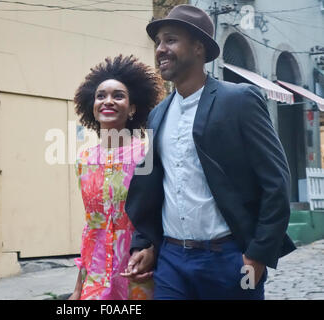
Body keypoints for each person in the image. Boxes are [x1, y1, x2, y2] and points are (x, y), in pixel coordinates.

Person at [121, 4, 296, 300]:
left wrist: (257, 257)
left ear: (199, 47)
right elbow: (151, 187)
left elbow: (276, 182)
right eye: (158, 42)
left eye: (171, 40)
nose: (160, 49)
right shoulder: (158, 115)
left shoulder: (239, 100)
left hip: (230, 259)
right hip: (172, 262)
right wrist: (145, 243)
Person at [69, 55, 163, 300]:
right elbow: (91, 228)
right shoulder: (84, 159)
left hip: (139, 269)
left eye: (118, 95)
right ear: (93, 105)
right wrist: (78, 288)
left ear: (133, 108)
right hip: (96, 276)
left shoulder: (147, 152)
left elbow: (161, 211)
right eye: (101, 96)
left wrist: (153, 250)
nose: (107, 101)